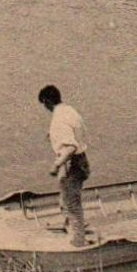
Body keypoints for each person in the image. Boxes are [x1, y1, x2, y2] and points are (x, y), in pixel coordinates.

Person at [38, 84, 90, 247]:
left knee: (72, 203)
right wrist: (53, 135)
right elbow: (77, 131)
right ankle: (71, 227)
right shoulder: (69, 110)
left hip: (71, 164)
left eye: (44, 104)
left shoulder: (59, 119)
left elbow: (70, 146)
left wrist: (56, 165)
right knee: (66, 198)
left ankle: (78, 241)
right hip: (82, 161)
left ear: (47, 101)